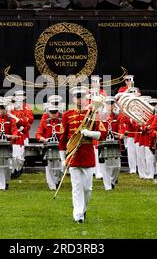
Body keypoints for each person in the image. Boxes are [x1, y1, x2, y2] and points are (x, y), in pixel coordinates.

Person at [59, 86, 101, 224]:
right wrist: (63, 159)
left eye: (82, 97)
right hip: (73, 157)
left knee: (87, 188)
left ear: (85, 99)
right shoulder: (67, 115)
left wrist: (90, 134)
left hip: (87, 155)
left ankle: (83, 209)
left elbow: (102, 134)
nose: (79, 99)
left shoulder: (92, 114)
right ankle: (78, 216)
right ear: (73, 99)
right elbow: (63, 139)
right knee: (76, 187)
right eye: (77, 97)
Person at [36, 99, 63, 190]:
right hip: (49, 147)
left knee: (59, 166)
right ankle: (51, 185)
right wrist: (42, 138)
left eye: (55, 112)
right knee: (49, 166)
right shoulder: (45, 122)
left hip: (59, 146)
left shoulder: (62, 122)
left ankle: (57, 180)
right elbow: (38, 134)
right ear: (49, 113)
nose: (53, 114)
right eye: (52, 113)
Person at [98, 96, 122, 191]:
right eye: (108, 103)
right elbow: (99, 129)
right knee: (105, 166)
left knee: (117, 166)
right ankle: (107, 186)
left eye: (112, 103)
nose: (110, 106)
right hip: (104, 144)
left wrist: (121, 133)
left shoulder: (118, 116)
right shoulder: (100, 116)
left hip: (115, 144)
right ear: (105, 104)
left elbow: (121, 127)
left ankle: (112, 181)